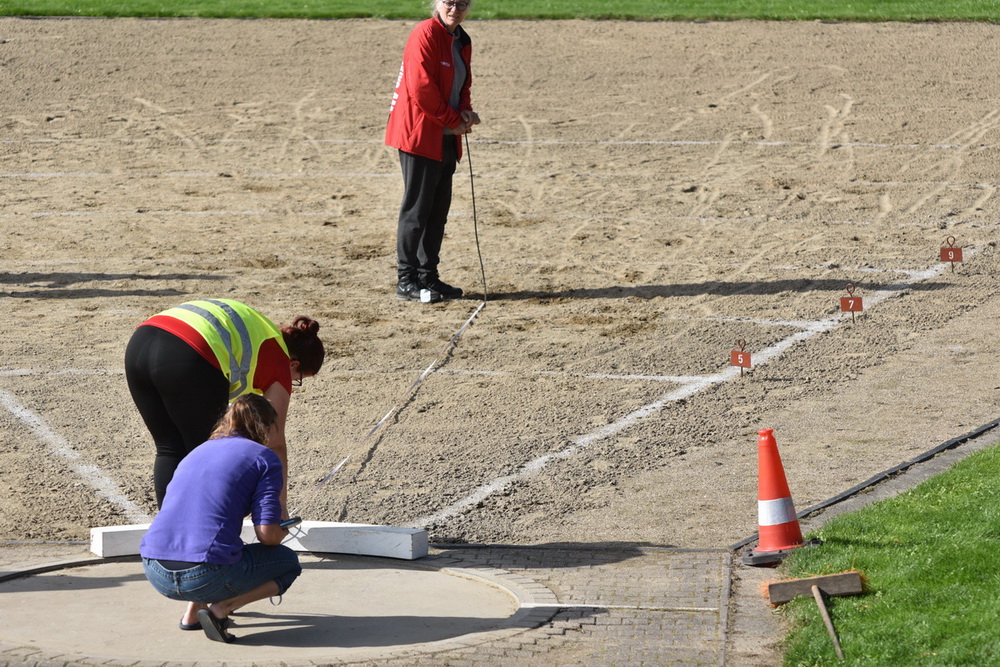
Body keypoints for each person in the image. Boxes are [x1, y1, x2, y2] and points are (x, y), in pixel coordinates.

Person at [124, 298, 324, 508]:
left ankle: (167, 530)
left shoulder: (261, 332)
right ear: (294, 363)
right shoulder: (279, 360)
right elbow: (275, 443)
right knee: (209, 454)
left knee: (170, 448)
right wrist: (279, 512)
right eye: (297, 379)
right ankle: (203, 533)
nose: (291, 383)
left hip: (141, 342)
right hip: (190, 351)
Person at [140, 394, 301, 643]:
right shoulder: (265, 458)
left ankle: (192, 614)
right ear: (267, 427)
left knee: (209, 542)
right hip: (205, 574)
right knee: (288, 561)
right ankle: (221, 609)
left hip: (154, 570)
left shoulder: (199, 451)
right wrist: (283, 528)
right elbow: (268, 537)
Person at [385, 0, 482, 304]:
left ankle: (428, 276)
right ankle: (407, 280)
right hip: (419, 136)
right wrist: (455, 122)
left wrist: (465, 112)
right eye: (449, 2)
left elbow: (462, 85)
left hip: (445, 136)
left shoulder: (461, 39)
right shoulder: (424, 34)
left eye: (462, 3)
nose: (456, 8)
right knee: (417, 210)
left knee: (437, 211)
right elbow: (422, 90)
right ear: (437, 3)